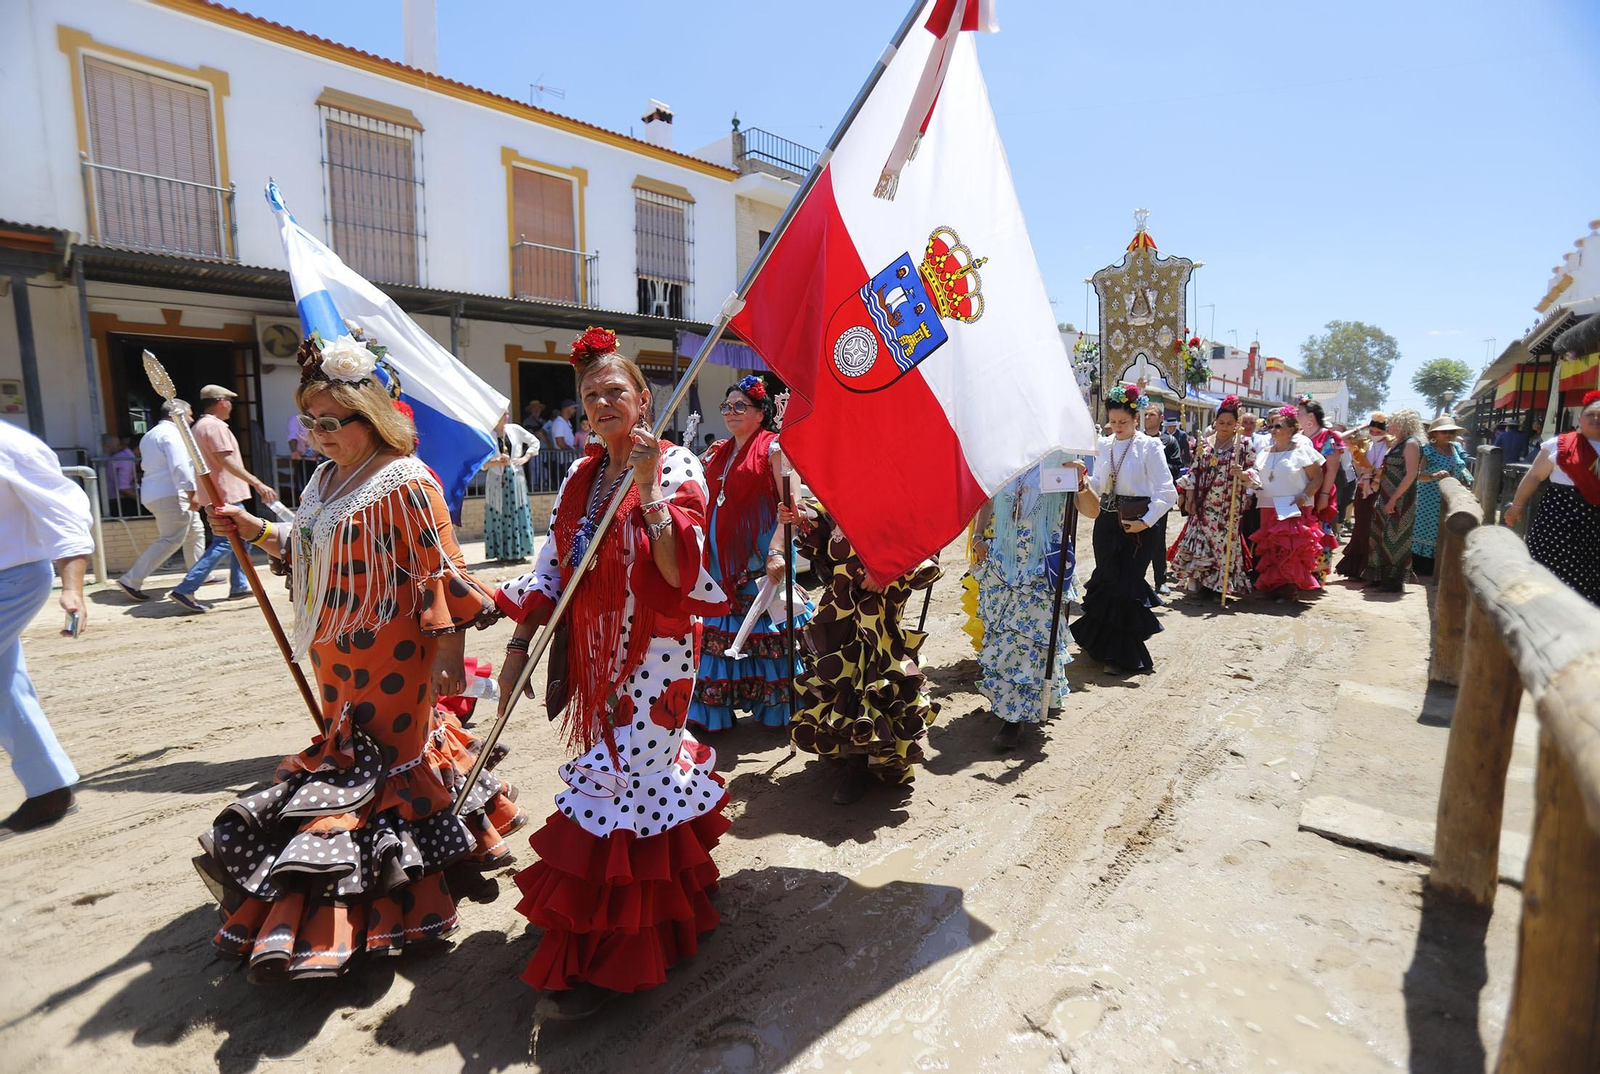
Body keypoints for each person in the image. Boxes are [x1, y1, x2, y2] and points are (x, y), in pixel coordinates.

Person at [190, 333, 519, 980]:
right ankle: (405, 877)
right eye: (309, 422)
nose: (317, 434)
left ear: (370, 416)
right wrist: (254, 529)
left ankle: (382, 906)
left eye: (331, 422)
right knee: (355, 755)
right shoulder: (322, 478)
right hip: (332, 652)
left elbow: (443, 570)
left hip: (396, 656)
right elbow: (308, 544)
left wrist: (450, 655)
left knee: (381, 767)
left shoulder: (406, 479)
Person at [494, 326, 730, 1020]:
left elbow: (678, 569)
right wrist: (514, 651)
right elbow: (550, 569)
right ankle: (663, 913)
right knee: (627, 778)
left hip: (658, 661)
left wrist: (649, 487)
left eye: (613, 390)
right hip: (595, 659)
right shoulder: (578, 476)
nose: (601, 402)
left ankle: (605, 952)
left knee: (625, 782)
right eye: (590, 394)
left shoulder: (680, 464)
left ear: (643, 396)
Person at [786, 497, 942, 797]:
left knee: (872, 674)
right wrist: (804, 519)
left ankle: (862, 765)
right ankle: (850, 754)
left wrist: (884, 569)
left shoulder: (897, 484)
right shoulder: (843, 484)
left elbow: (921, 541)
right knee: (842, 674)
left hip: (880, 605)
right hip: (839, 603)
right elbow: (826, 532)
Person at [686, 375, 809, 733]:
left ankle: (776, 711)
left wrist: (776, 551)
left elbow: (792, 504)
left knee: (766, 630)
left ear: (760, 413)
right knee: (720, 631)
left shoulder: (775, 449)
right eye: (727, 406)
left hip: (759, 558)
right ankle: (715, 713)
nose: (731, 412)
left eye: (741, 406)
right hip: (720, 561)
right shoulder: (717, 452)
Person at [0, 421, 92, 835]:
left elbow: (63, 513)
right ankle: (49, 789)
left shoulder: (12, 445)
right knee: (5, 687)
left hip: (12, 578)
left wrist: (73, 588)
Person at [970, 452, 1082, 749]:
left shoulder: (1063, 457)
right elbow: (988, 497)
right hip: (1003, 562)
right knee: (1003, 637)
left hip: (1041, 564)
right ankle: (1022, 699)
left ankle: (1014, 718)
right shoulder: (1004, 451)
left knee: (1030, 641)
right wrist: (978, 537)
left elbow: (1091, 510)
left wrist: (1082, 484)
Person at [1070, 384, 1177, 675]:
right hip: (1106, 523)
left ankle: (1122, 655)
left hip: (1138, 528)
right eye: (1113, 422)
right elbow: (1098, 486)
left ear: (1135, 418)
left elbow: (1168, 493)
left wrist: (1146, 520)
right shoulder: (1104, 445)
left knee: (1126, 587)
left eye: (1123, 422)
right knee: (1105, 581)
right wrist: (1082, 480)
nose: (1117, 427)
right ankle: (1100, 646)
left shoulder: (1150, 446)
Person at [166, 385, 279, 613]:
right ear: (222, 402)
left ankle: (239, 584)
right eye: (229, 401)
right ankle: (186, 588)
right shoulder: (214, 427)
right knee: (227, 542)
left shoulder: (199, 426)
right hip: (225, 494)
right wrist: (257, 482)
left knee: (240, 539)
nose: (231, 406)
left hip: (217, 493)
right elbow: (226, 461)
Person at [1505, 390, 1600, 605]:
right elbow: (1534, 476)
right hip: (1559, 519)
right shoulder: (1560, 444)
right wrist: (1517, 505)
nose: (1596, 419)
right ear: (1580, 418)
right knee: (1551, 573)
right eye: (1590, 415)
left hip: (1596, 523)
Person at [116, 399, 205, 601]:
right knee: (171, 539)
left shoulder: (151, 434)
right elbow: (180, 466)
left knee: (195, 531)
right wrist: (192, 493)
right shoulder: (172, 434)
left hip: (158, 492)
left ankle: (198, 574)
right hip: (172, 493)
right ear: (178, 415)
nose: (192, 419)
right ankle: (131, 579)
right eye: (189, 414)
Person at [1170, 395, 1256, 599]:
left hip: (1228, 504)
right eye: (1221, 422)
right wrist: (1188, 497)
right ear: (1215, 422)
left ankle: (1219, 586)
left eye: (1229, 423)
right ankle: (1200, 583)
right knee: (1202, 541)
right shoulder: (1204, 444)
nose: (1225, 426)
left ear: (1237, 424)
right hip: (1203, 503)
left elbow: (1254, 470)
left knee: (1223, 545)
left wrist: (1243, 474)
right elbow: (1194, 471)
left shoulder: (1243, 445)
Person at [1247, 408, 1330, 603]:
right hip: (1268, 505)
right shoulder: (1264, 452)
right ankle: (1273, 585)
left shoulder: (1302, 450)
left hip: (1292, 505)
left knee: (1291, 549)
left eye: (1278, 426)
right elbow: (1257, 476)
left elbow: (1317, 477)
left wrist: (1305, 495)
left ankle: (1289, 588)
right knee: (1271, 547)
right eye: (1271, 426)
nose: (1273, 430)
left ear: (1292, 429)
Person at [1367, 408, 1424, 592]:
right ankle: (1380, 577)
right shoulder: (1398, 442)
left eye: (1392, 422)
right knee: (1381, 535)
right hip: (1387, 496)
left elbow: (1411, 474)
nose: (1388, 425)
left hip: (1401, 499)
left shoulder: (1411, 444)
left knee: (1395, 538)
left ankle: (1393, 581)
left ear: (1401, 423)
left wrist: (1394, 498)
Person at [1411, 416, 1472, 576]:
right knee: (1426, 528)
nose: (1448, 434)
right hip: (1429, 496)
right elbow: (1417, 474)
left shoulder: (1457, 448)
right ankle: (1423, 566)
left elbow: (1463, 467)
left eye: (1451, 431)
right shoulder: (1427, 450)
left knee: (1445, 527)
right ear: (1435, 434)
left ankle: (1443, 563)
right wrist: (1434, 475)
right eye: (1444, 432)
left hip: (1451, 494)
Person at [1295, 395, 1345, 579]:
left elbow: (1332, 469)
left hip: (1320, 491)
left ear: (1311, 417)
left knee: (1319, 529)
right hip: (1301, 490)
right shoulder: (1298, 437)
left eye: (1299, 413)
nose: (1296, 416)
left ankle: (1317, 573)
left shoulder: (1329, 437)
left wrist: (1324, 494)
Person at [1336, 413, 1388, 580]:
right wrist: (1361, 427)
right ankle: (1356, 567)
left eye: (1378, 431)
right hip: (1363, 488)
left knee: (1375, 528)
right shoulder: (1364, 443)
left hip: (1381, 488)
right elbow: (1340, 437)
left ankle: (1372, 567)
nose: (1374, 434)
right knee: (1360, 527)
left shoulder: (1392, 445)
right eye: (1372, 430)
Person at [483, 413, 539, 563]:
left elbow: (534, 442)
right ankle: (501, 554)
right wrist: (496, 461)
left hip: (515, 477)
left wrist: (525, 457)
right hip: (496, 478)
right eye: (503, 413)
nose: (506, 416)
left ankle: (519, 553)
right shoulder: (487, 433)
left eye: (507, 412)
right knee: (498, 512)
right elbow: (481, 462)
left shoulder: (515, 429)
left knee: (518, 511)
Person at [1141, 404, 1182, 595]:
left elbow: (1176, 467)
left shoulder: (1169, 441)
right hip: (1138, 495)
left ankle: (1160, 580)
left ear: (1161, 418)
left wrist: (1157, 466)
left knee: (1158, 538)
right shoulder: (1137, 439)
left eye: (1152, 414)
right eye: (1146, 414)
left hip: (1158, 497)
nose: (1148, 417)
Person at [103, 433, 139, 517]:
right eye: (118, 444)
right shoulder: (126, 459)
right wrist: (141, 500)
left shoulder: (122, 457)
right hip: (118, 501)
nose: (120, 447)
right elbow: (123, 488)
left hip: (113, 499)